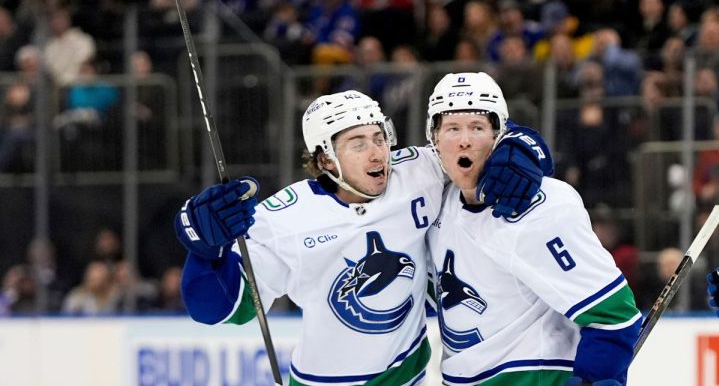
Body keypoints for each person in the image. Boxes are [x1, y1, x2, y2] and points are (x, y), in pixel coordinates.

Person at [175, 88, 550, 384]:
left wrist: (523, 147)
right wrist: (205, 250)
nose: (376, 155)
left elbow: (481, 138)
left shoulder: (418, 172)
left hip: (410, 375)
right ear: (325, 159)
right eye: (357, 144)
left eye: (379, 137)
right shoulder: (286, 220)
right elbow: (220, 310)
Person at [424, 72, 641, 386]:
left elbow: (613, 316)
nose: (465, 140)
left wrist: (595, 378)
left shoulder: (543, 208)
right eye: (453, 128)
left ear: (500, 134)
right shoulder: (433, 201)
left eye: (478, 127)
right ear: (434, 139)